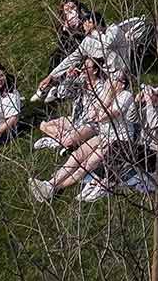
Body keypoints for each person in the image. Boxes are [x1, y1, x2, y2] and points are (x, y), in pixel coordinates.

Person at [28, 62, 138, 203]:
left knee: (87, 164)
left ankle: (54, 188)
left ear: (123, 84)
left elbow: (105, 115)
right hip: (103, 134)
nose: (109, 82)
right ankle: (49, 183)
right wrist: (105, 98)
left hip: (118, 139)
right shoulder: (106, 92)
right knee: (77, 155)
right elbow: (93, 114)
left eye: (114, 79)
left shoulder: (126, 96)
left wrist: (108, 98)